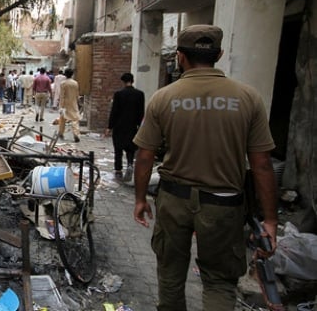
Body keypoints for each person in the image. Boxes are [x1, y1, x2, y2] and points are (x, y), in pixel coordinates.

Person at [132, 25, 279, 310]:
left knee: (171, 274)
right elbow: (262, 164)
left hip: (174, 200)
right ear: (219, 54)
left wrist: (140, 199)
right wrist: (270, 219)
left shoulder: (164, 98)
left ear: (180, 57)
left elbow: (145, 156)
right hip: (224, 205)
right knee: (219, 282)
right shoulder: (249, 98)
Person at [105, 72, 145, 180]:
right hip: (132, 126)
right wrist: (140, 126)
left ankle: (118, 170)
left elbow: (114, 112)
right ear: (132, 81)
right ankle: (130, 164)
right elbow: (141, 112)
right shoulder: (140, 94)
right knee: (130, 148)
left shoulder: (119, 94)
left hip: (119, 125)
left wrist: (110, 127)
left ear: (123, 81)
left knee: (118, 148)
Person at [57, 68, 80, 142]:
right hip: (73, 102)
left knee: (62, 118)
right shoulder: (75, 83)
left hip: (65, 103)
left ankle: (61, 133)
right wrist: (77, 101)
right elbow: (77, 94)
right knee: (75, 118)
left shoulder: (63, 83)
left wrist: (61, 106)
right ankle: (76, 133)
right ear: (72, 74)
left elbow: (62, 95)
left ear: (65, 74)